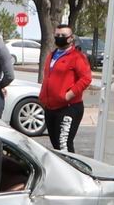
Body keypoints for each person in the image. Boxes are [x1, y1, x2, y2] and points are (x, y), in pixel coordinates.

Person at [38, 23, 92, 151]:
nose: (59, 37)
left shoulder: (77, 57)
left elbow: (86, 78)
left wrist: (69, 94)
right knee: (56, 146)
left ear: (71, 38)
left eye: (63, 35)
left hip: (69, 108)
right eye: (57, 35)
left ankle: (71, 165)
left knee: (64, 145)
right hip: (50, 108)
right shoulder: (51, 55)